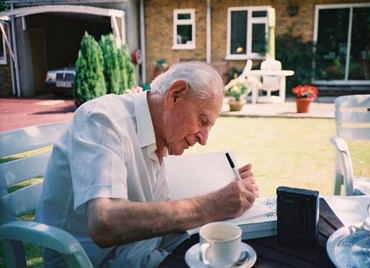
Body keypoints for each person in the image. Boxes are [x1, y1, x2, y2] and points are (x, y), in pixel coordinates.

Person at [35, 61, 258, 267]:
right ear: (175, 95)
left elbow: (159, 203)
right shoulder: (104, 120)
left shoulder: (161, 133)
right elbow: (105, 223)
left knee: (252, 252)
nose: (204, 139)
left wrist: (222, 187)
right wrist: (212, 205)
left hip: (146, 252)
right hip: (98, 262)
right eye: (203, 121)